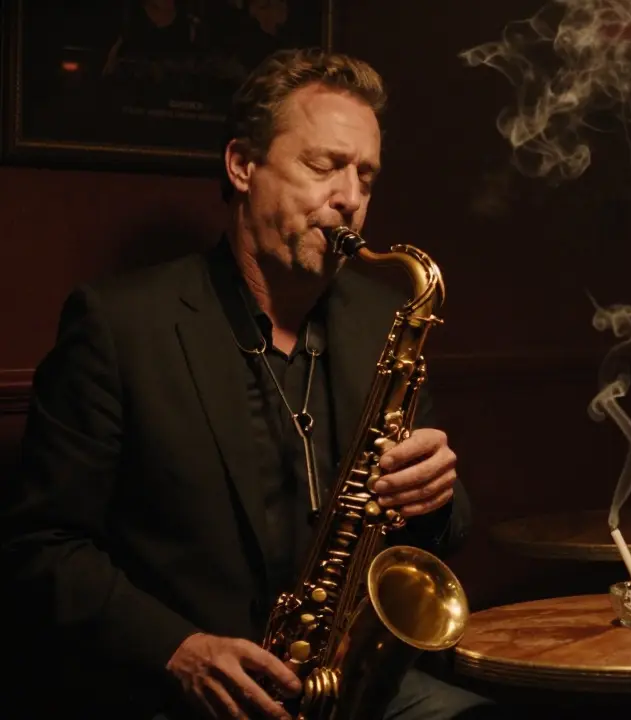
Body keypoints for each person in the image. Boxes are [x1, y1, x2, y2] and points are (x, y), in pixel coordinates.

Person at [0, 48, 497, 719]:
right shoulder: (120, 325)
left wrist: (434, 496)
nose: (349, 198)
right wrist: (179, 650)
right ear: (242, 165)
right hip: (185, 694)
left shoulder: (384, 321)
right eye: (324, 166)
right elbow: (41, 549)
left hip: (344, 685)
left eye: (366, 177)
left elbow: (445, 522)